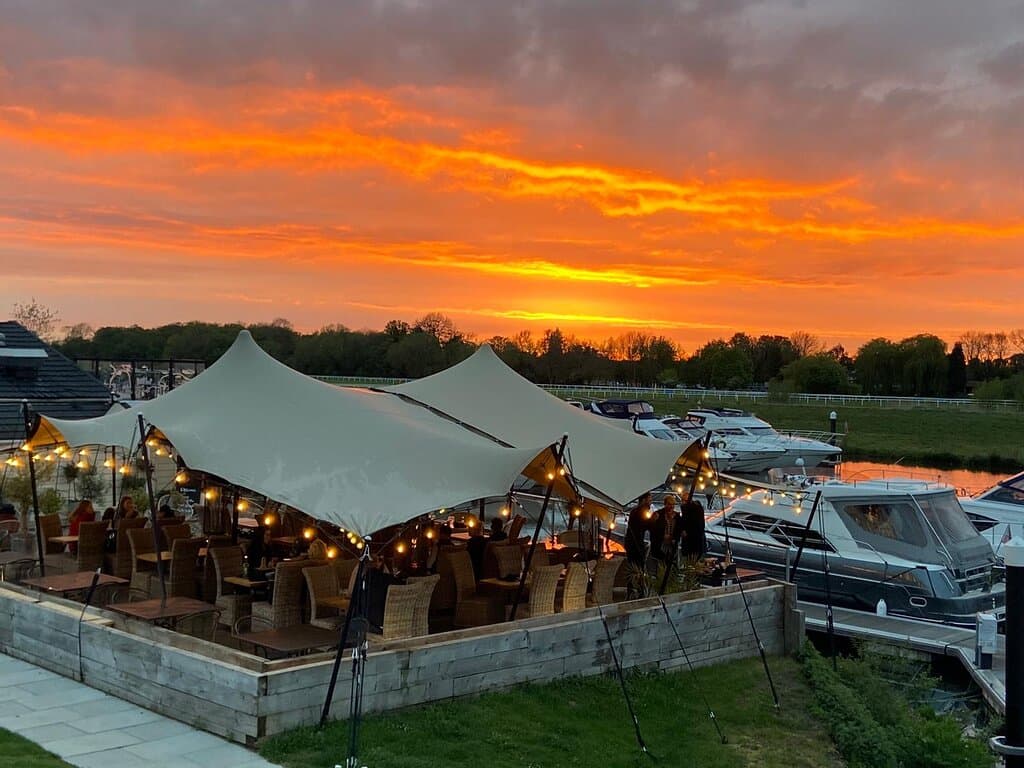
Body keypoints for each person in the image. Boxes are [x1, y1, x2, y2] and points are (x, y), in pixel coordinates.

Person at [649, 495, 680, 564]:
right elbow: (652, 529)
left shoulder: (677, 516)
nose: (671, 506)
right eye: (669, 504)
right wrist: (662, 535)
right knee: (660, 564)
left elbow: (679, 530)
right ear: (665, 504)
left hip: (672, 545)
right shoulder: (658, 514)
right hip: (660, 544)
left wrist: (675, 538)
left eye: (673, 504)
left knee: (672, 564)